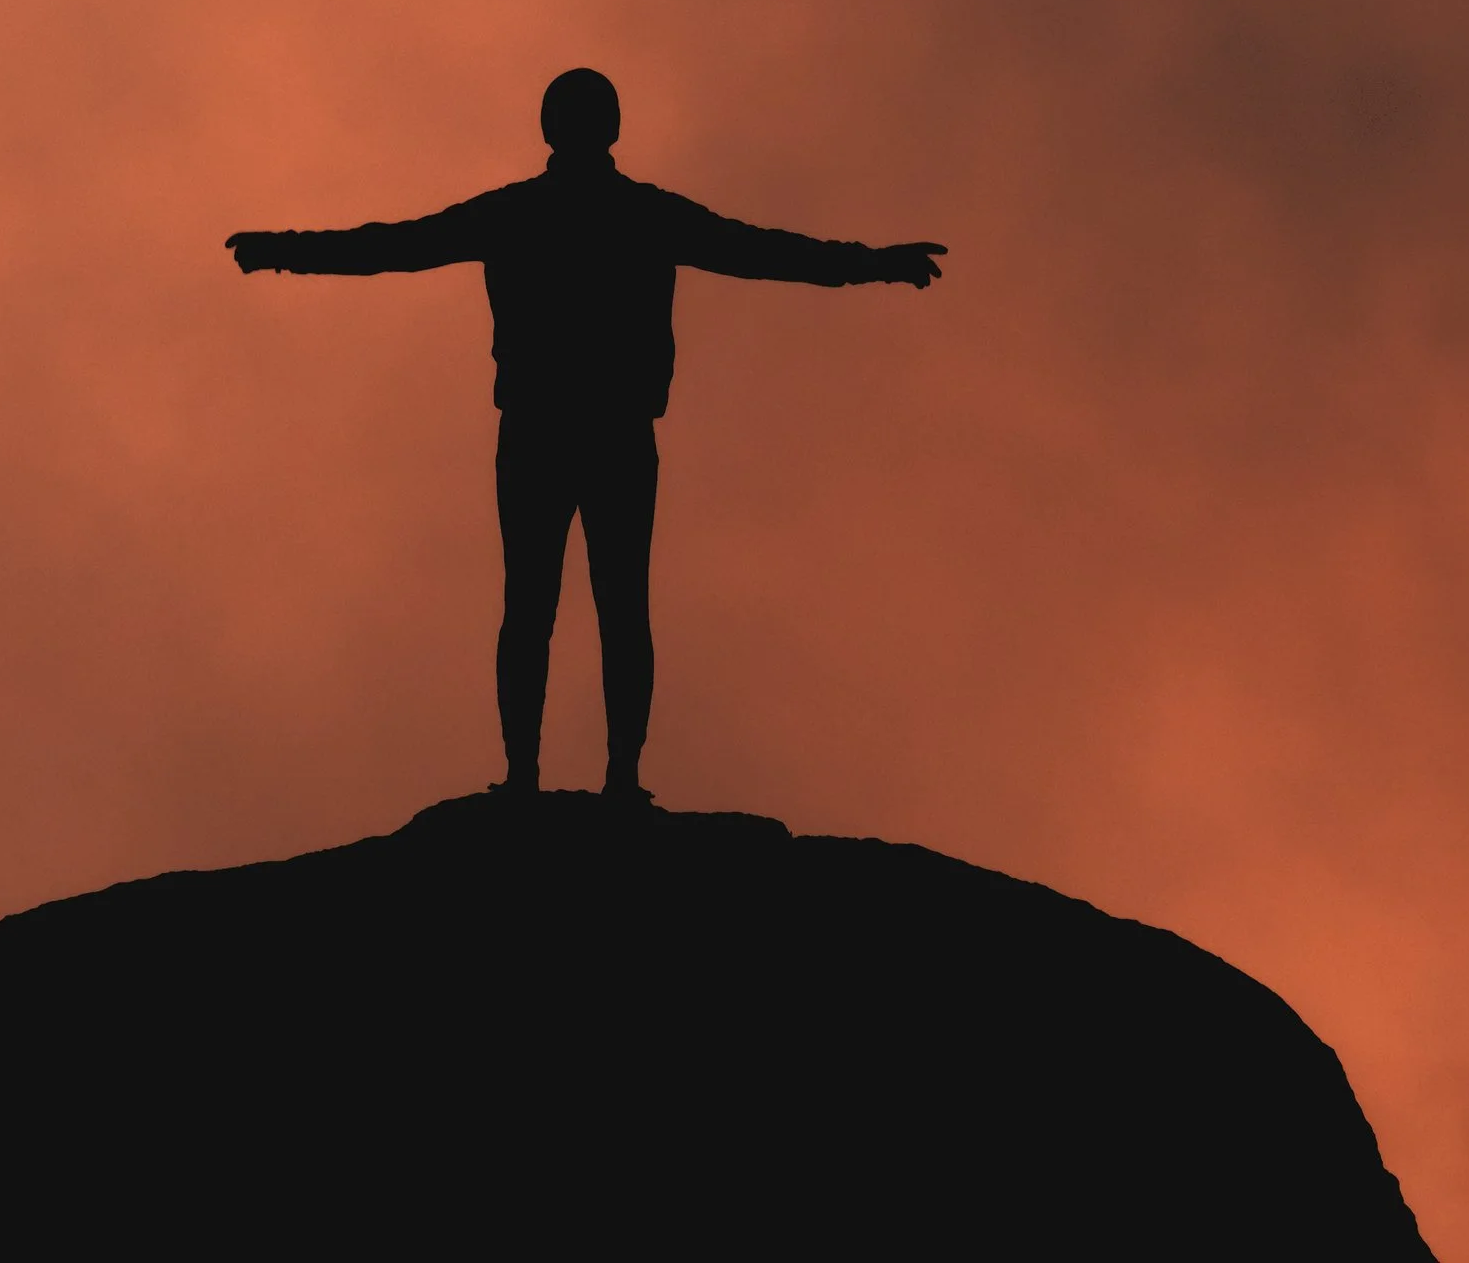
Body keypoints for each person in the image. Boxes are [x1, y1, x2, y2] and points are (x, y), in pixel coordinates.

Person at [228, 70, 944, 802]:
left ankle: (529, 781)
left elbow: (391, 247)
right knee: (616, 608)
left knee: (536, 607)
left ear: (549, 129)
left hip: (547, 432)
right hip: (610, 433)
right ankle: (616, 781)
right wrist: (873, 264)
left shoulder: (519, 213)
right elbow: (766, 252)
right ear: (611, 129)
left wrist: (284, 248)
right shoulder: (641, 214)